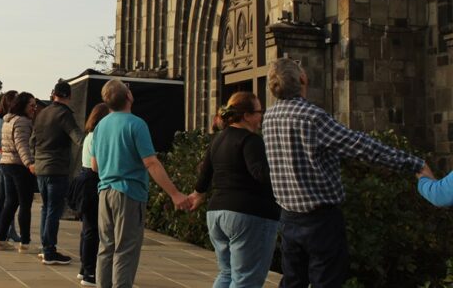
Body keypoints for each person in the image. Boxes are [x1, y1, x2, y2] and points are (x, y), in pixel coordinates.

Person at [263, 57, 429, 288]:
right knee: (326, 281)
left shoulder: (268, 117)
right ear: (302, 79)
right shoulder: (312, 117)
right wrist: (414, 164)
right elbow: (362, 147)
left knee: (293, 281)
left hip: (289, 217)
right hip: (320, 220)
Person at [90, 79, 189, 288]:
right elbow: (151, 163)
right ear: (128, 96)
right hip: (128, 193)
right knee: (125, 250)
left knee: (106, 247)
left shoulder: (100, 126)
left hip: (104, 192)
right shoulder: (136, 124)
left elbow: (94, 166)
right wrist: (175, 193)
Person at [187, 92, 280, 288]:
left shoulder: (218, 140)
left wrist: (197, 194)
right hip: (249, 214)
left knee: (227, 273)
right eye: (258, 112)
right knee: (246, 279)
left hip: (217, 214)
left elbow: (204, 175)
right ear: (246, 115)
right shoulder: (251, 140)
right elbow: (260, 174)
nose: (261, 116)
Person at [29, 80, 84, 265]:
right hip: (57, 168)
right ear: (69, 96)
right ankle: (50, 251)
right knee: (54, 209)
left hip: (41, 168)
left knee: (46, 207)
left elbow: (32, 141)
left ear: (53, 94)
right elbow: (77, 137)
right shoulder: (63, 114)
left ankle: (45, 248)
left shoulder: (43, 113)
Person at [0, 92, 38, 253]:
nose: (34, 109)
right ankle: (25, 243)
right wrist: (30, 163)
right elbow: (22, 145)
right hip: (19, 166)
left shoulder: (7, 120)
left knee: (10, 203)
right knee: (25, 204)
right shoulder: (23, 122)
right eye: (31, 105)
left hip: (6, 163)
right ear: (22, 106)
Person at [76, 103, 110, 287]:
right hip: (92, 180)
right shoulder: (99, 135)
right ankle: (90, 272)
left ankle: (84, 268)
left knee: (87, 229)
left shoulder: (89, 134)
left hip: (84, 177)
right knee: (92, 231)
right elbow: (97, 166)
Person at [0, 90, 20, 242]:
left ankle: (2, 228)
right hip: (7, 157)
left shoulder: (2, 119)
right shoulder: (12, 119)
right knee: (9, 197)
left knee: (3, 195)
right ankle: (6, 230)